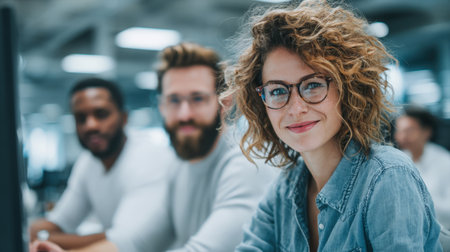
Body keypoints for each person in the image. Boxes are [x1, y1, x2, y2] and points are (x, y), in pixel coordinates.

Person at [223, 0, 443, 251]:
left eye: (313, 85)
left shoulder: (387, 177)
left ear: (347, 90)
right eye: (277, 91)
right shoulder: (285, 190)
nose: (295, 108)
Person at [30, 43, 276, 252]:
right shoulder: (179, 167)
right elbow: (132, 242)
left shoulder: (247, 163)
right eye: (174, 100)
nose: (184, 114)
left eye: (197, 98)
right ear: (161, 106)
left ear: (224, 102)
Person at [28, 78, 170, 250]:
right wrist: (42, 233)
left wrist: (45, 238)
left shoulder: (149, 157)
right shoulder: (88, 162)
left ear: (124, 118)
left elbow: (122, 241)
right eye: (81, 118)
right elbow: (60, 222)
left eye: (101, 114)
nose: (90, 125)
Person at [395, 105, 450, 230]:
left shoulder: (445, 161)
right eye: (399, 131)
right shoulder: (398, 161)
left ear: (426, 132)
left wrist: (417, 202)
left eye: (409, 131)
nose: (402, 137)